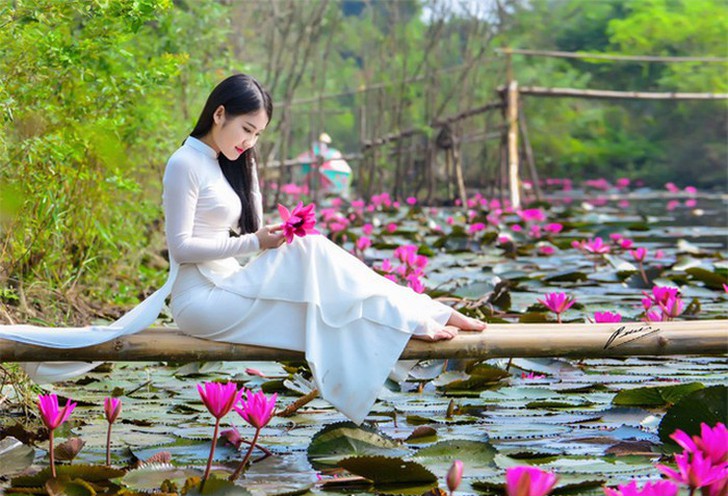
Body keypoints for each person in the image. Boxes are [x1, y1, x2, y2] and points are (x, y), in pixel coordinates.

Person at [0, 74, 485, 424]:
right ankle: (424, 310)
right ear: (219, 115)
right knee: (313, 255)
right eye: (247, 130)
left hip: (232, 284)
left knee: (325, 299)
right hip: (200, 301)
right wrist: (258, 240)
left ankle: (418, 314)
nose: (251, 142)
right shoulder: (183, 164)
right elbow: (182, 248)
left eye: (258, 135)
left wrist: (266, 223)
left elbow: (248, 235)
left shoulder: (236, 164)